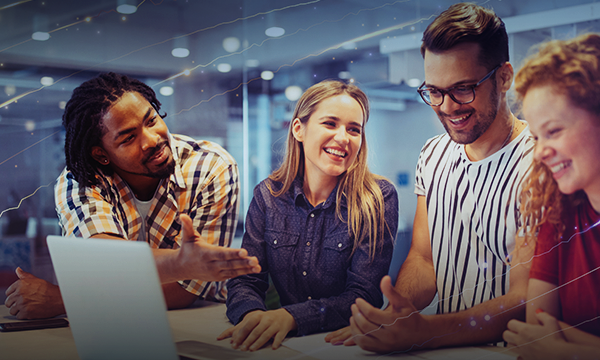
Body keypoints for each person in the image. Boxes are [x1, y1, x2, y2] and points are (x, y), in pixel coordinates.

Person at [325, 3, 535, 352]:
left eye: (464, 88)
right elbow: (424, 259)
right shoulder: (433, 154)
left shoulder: (543, 161)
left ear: (504, 77)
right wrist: (394, 315)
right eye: (434, 91)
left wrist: (427, 331)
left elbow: (526, 297)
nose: (448, 106)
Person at [4, 72, 260, 320]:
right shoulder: (81, 180)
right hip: (106, 326)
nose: (151, 140)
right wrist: (182, 263)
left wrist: (64, 300)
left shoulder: (211, 167)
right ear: (101, 155)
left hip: (196, 321)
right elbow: (103, 262)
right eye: (128, 138)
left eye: (151, 120)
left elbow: (186, 291)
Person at [217, 80, 398, 351]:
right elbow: (245, 279)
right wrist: (252, 317)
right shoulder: (268, 196)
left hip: (342, 347)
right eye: (330, 123)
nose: (343, 138)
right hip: (281, 346)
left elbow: (364, 296)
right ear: (299, 129)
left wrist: (292, 317)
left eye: (354, 129)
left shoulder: (377, 198)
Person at [502, 33, 600, 360]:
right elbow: (537, 328)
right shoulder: (559, 214)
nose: (540, 152)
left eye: (554, 131)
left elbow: (545, 342)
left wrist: (566, 349)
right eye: (536, 135)